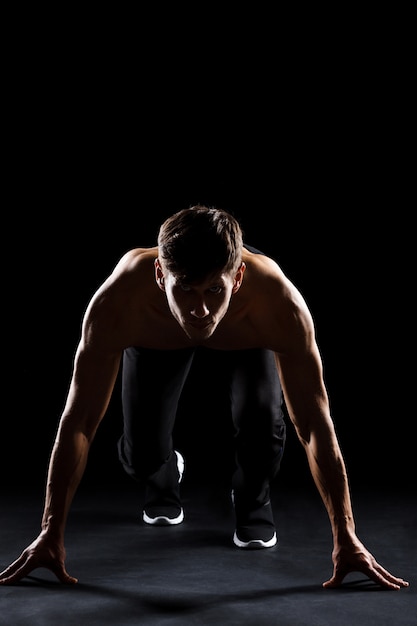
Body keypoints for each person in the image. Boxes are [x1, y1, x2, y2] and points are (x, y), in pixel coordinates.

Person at [0, 205, 409, 590]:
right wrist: (49, 532)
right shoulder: (121, 302)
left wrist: (347, 535)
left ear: (239, 277)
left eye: (215, 289)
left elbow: (315, 426)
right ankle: (164, 472)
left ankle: (252, 496)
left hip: (247, 336)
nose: (200, 309)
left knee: (264, 427)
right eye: (186, 290)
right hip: (155, 335)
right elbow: (80, 423)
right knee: (141, 454)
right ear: (161, 275)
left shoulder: (276, 303)